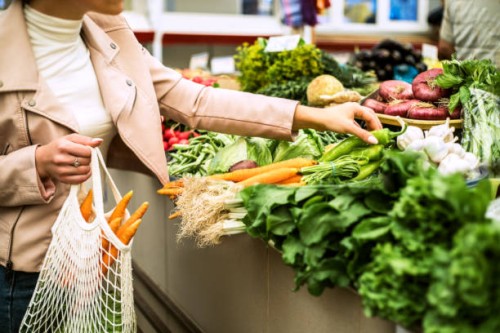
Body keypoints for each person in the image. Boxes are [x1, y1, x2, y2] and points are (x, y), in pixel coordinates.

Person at [0, 0, 382, 331]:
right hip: (20, 273)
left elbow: (193, 100)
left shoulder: (106, 34)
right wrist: (36, 163)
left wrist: (314, 116)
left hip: (89, 258)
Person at [438, 0, 500, 67]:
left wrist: (462, 68)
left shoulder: (452, 1)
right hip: (495, 72)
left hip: (466, 73)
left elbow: (444, 48)